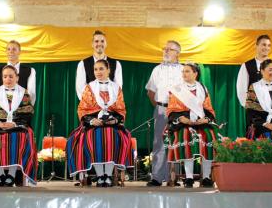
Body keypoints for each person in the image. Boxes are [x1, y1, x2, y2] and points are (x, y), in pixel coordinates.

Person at [66, 59, 133, 187]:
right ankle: (99, 175)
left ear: (108, 70)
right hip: (93, 125)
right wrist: (91, 120)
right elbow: (82, 108)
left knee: (111, 137)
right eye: (96, 69)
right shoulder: (89, 87)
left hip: (112, 125)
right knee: (93, 137)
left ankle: (107, 175)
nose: (98, 72)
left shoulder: (116, 88)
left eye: (101, 69)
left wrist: (115, 120)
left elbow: (121, 109)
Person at [165, 63, 223, 188]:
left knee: (209, 138)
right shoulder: (176, 89)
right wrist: (181, 118)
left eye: (187, 71)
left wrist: (206, 119)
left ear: (195, 74)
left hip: (200, 122)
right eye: (183, 71)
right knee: (186, 138)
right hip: (183, 123)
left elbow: (208, 108)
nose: (184, 74)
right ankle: (189, 178)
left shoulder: (203, 88)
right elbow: (171, 109)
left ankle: (207, 177)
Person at [0, 65, 38, 187]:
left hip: (17, 127)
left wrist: (13, 123)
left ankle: (12, 175)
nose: (8, 79)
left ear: (17, 78)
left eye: (11, 76)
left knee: (17, 137)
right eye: (5, 76)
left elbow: (27, 114)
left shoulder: (24, 93)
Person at [145, 40, 184, 187]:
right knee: (159, 143)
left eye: (170, 49)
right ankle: (156, 177)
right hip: (161, 109)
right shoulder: (157, 69)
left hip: (179, 111)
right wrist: (160, 107)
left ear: (177, 53)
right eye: (165, 49)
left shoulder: (183, 70)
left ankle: (173, 177)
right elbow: (150, 91)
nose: (166, 51)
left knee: (176, 141)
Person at [236, 34, 272, 108]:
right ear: (256, 45)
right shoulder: (246, 66)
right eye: (264, 45)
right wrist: (248, 105)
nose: (266, 48)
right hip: (254, 108)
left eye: (269, 45)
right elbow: (241, 89)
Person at [75, 30, 123, 99]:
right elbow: (81, 90)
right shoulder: (82, 64)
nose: (99, 44)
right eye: (96, 41)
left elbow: (118, 88)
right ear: (92, 44)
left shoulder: (116, 64)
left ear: (106, 44)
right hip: (90, 107)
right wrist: (94, 104)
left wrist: (107, 102)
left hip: (110, 107)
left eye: (102, 41)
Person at [0, 40, 36, 105]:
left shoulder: (30, 71)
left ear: (19, 52)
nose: (11, 51)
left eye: (14, 49)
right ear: (6, 52)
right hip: (2, 109)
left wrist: (26, 108)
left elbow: (31, 93)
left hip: (22, 109)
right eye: (8, 49)